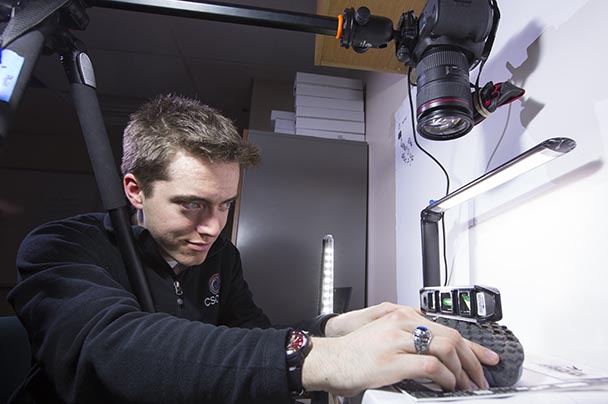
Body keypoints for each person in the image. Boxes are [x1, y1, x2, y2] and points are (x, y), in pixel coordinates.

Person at [8, 94, 499, 404]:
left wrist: (329, 329)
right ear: (136, 190)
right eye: (193, 205)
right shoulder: (61, 249)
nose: (212, 227)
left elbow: (253, 336)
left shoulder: (221, 258)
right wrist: (321, 359)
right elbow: (110, 350)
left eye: (226, 205)